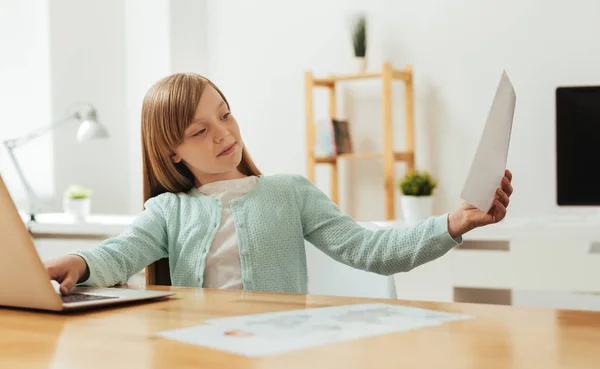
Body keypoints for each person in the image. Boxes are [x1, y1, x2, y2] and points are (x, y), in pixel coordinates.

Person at [44, 72, 514, 295]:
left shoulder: (289, 192)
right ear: (172, 151)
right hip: (197, 351)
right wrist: (80, 262)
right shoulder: (169, 211)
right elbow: (120, 254)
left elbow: (372, 251)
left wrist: (451, 224)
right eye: (199, 130)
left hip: (280, 351)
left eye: (224, 114)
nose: (224, 133)